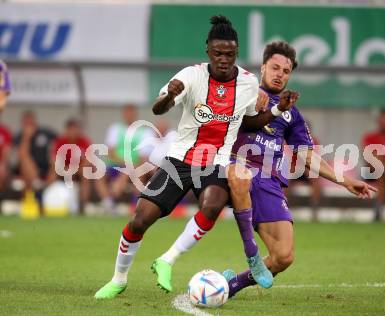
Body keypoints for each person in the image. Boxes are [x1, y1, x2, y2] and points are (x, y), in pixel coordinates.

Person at [94, 15, 294, 299]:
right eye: (218, 53)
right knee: (140, 219)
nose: (224, 59)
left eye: (230, 54)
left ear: (236, 53)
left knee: (212, 204)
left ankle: (167, 259)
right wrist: (167, 97)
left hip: (216, 162)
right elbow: (158, 109)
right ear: (207, 52)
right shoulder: (190, 76)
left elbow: (247, 122)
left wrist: (274, 111)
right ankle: (119, 278)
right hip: (179, 160)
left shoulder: (249, 84)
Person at [218, 41, 375, 297]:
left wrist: (345, 181)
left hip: (268, 182)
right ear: (263, 67)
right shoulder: (243, 92)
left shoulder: (292, 113)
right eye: (275, 67)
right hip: (235, 168)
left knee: (284, 257)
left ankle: (229, 286)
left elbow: (307, 156)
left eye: (286, 71)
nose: (280, 74)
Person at [95, 104, 149, 212]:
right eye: (127, 112)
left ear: (135, 114)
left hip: (134, 166)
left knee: (130, 172)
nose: (129, 115)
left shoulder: (143, 132)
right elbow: (110, 152)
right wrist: (123, 162)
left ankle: (131, 203)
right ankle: (108, 202)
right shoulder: (115, 129)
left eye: (131, 112)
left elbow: (143, 157)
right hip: (116, 164)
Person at [14, 111, 57, 210]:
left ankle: (43, 192)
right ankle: (37, 187)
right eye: (27, 124)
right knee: (25, 160)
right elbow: (21, 154)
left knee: (56, 163)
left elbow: (56, 145)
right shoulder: (20, 136)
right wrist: (27, 138)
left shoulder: (46, 133)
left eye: (31, 123)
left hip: (46, 168)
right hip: (27, 172)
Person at [48, 119, 93, 214]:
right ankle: (46, 199)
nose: (73, 132)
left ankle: (82, 205)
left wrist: (75, 170)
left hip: (79, 171)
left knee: (86, 174)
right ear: (66, 130)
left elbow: (88, 160)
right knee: (52, 173)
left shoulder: (84, 141)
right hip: (63, 170)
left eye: (75, 129)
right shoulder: (60, 142)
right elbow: (53, 160)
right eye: (71, 129)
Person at [288, 120, 322, 221]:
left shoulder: (314, 141)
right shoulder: (291, 139)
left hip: (307, 169)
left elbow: (314, 159)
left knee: (315, 180)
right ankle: (283, 208)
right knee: (285, 181)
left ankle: (314, 209)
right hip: (295, 169)